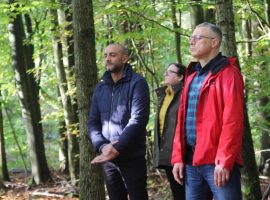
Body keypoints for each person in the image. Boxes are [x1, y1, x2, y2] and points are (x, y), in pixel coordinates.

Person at [171, 22, 244, 200]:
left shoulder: (228, 73)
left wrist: (224, 161)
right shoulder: (192, 75)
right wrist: (178, 157)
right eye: (191, 38)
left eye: (198, 37)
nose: (192, 41)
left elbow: (233, 120)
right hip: (190, 162)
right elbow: (181, 120)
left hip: (217, 163)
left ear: (214, 42)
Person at [88, 43, 150, 200]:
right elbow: (93, 122)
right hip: (108, 159)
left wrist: (116, 147)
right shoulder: (100, 87)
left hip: (132, 156)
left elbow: (138, 119)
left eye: (112, 55)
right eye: (105, 55)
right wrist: (102, 147)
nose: (108, 59)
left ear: (124, 58)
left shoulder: (137, 83)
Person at [153, 63, 186, 199]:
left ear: (180, 77)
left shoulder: (185, 94)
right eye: (166, 71)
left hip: (181, 155)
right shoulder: (164, 94)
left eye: (170, 72)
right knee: (177, 193)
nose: (165, 74)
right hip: (166, 154)